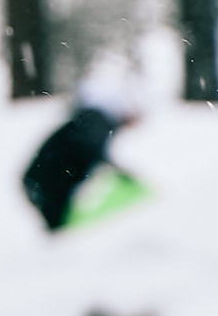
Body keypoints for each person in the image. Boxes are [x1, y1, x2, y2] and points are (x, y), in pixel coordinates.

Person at [19, 65, 149, 234]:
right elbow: (91, 150)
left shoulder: (95, 119)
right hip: (46, 181)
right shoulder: (99, 120)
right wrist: (123, 175)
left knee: (61, 229)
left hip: (43, 179)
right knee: (61, 233)